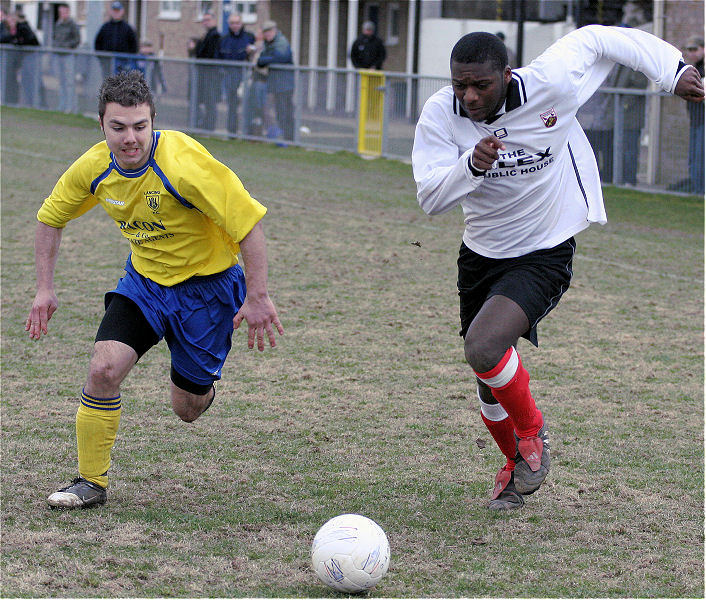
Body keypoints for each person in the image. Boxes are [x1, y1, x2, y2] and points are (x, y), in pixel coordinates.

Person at [412, 26, 703, 511]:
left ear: (506, 76)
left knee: (483, 346)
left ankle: (533, 435)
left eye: (480, 85)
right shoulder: (441, 113)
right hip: (480, 253)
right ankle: (514, 466)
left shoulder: (551, 82)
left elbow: (600, 38)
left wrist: (671, 71)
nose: (469, 95)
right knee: (487, 381)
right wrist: (471, 165)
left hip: (544, 250)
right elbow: (430, 199)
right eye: (460, 84)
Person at [26, 70, 284, 509]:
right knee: (103, 368)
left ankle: (201, 386)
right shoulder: (94, 168)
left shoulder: (184, 165)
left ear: (153, 122)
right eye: (118, 127)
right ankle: (90, 482)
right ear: (101, 126)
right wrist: (43, 289)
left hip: (207, 291)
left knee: (187, 407)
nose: (130, 138)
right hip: (145, 283)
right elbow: (50, 218)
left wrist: (257, 296)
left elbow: (249, 224)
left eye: (140, 126)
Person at [668, 35, 704, 194]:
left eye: (695, 49)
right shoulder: (693, 68)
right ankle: (696, 190)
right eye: (689, 50)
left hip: (703, 120)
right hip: (695, 120)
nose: (691, 53)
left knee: (700, 157)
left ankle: (700, 190)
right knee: (694, 157)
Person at [257, 21, 295, 142]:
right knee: (279, 112)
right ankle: (284, 138)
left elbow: (281, 58)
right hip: (276, 84)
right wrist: (268, 59)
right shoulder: (268, 44)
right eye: (265, 32)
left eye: (269, 31)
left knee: (286, 112)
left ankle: (290, 139)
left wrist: (268, 59)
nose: (267, 34)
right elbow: (260, 61)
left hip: (285, 84)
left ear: (274, 31)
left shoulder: (281, 42)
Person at [218, 12, 255, 135]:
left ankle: (247, 132)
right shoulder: (224, 40)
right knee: (232, 106)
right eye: (232, 23)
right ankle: (232, 131)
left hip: (245, 77)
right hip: (231, 77)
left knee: (248, 105)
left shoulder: (249, 37)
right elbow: (222, 58)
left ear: (241, 23)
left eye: (237, 23)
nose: (235, 25)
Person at [94, 1, 138, 77]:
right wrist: (102, 58)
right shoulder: (105, 27)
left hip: (123, 63)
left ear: (122, 11)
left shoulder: (127, 28)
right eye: (114, 11)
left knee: (121, 84)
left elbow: (134, 45)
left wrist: (128, 60)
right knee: (108, 83)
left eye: (118, 11)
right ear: (111, 11)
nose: (116, 13)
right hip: (107, 62)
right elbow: (97, 43)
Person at [194, 11, 221, 131]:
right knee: (204, 101)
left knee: (210, 102)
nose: (206, 22)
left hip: (211, 75)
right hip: (205, 74)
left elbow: (208, 54)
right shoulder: (206, 36)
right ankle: (204, 125)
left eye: (208, 20)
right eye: (204, 20)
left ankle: (209, 127)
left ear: (214, 21)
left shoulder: (215, 36)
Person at [53, 3, 81, 113]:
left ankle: (71, 107)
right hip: (58, 56)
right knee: (61, 82)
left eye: (64, 12)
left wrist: (68, 46)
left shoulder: (72, 24)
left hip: (68, 57)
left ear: (68, 12)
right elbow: (55, 37)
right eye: (60, 12)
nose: (62, 14)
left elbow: (77, 40)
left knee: (70, 82)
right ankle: (62, 105)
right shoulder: (58, 24)